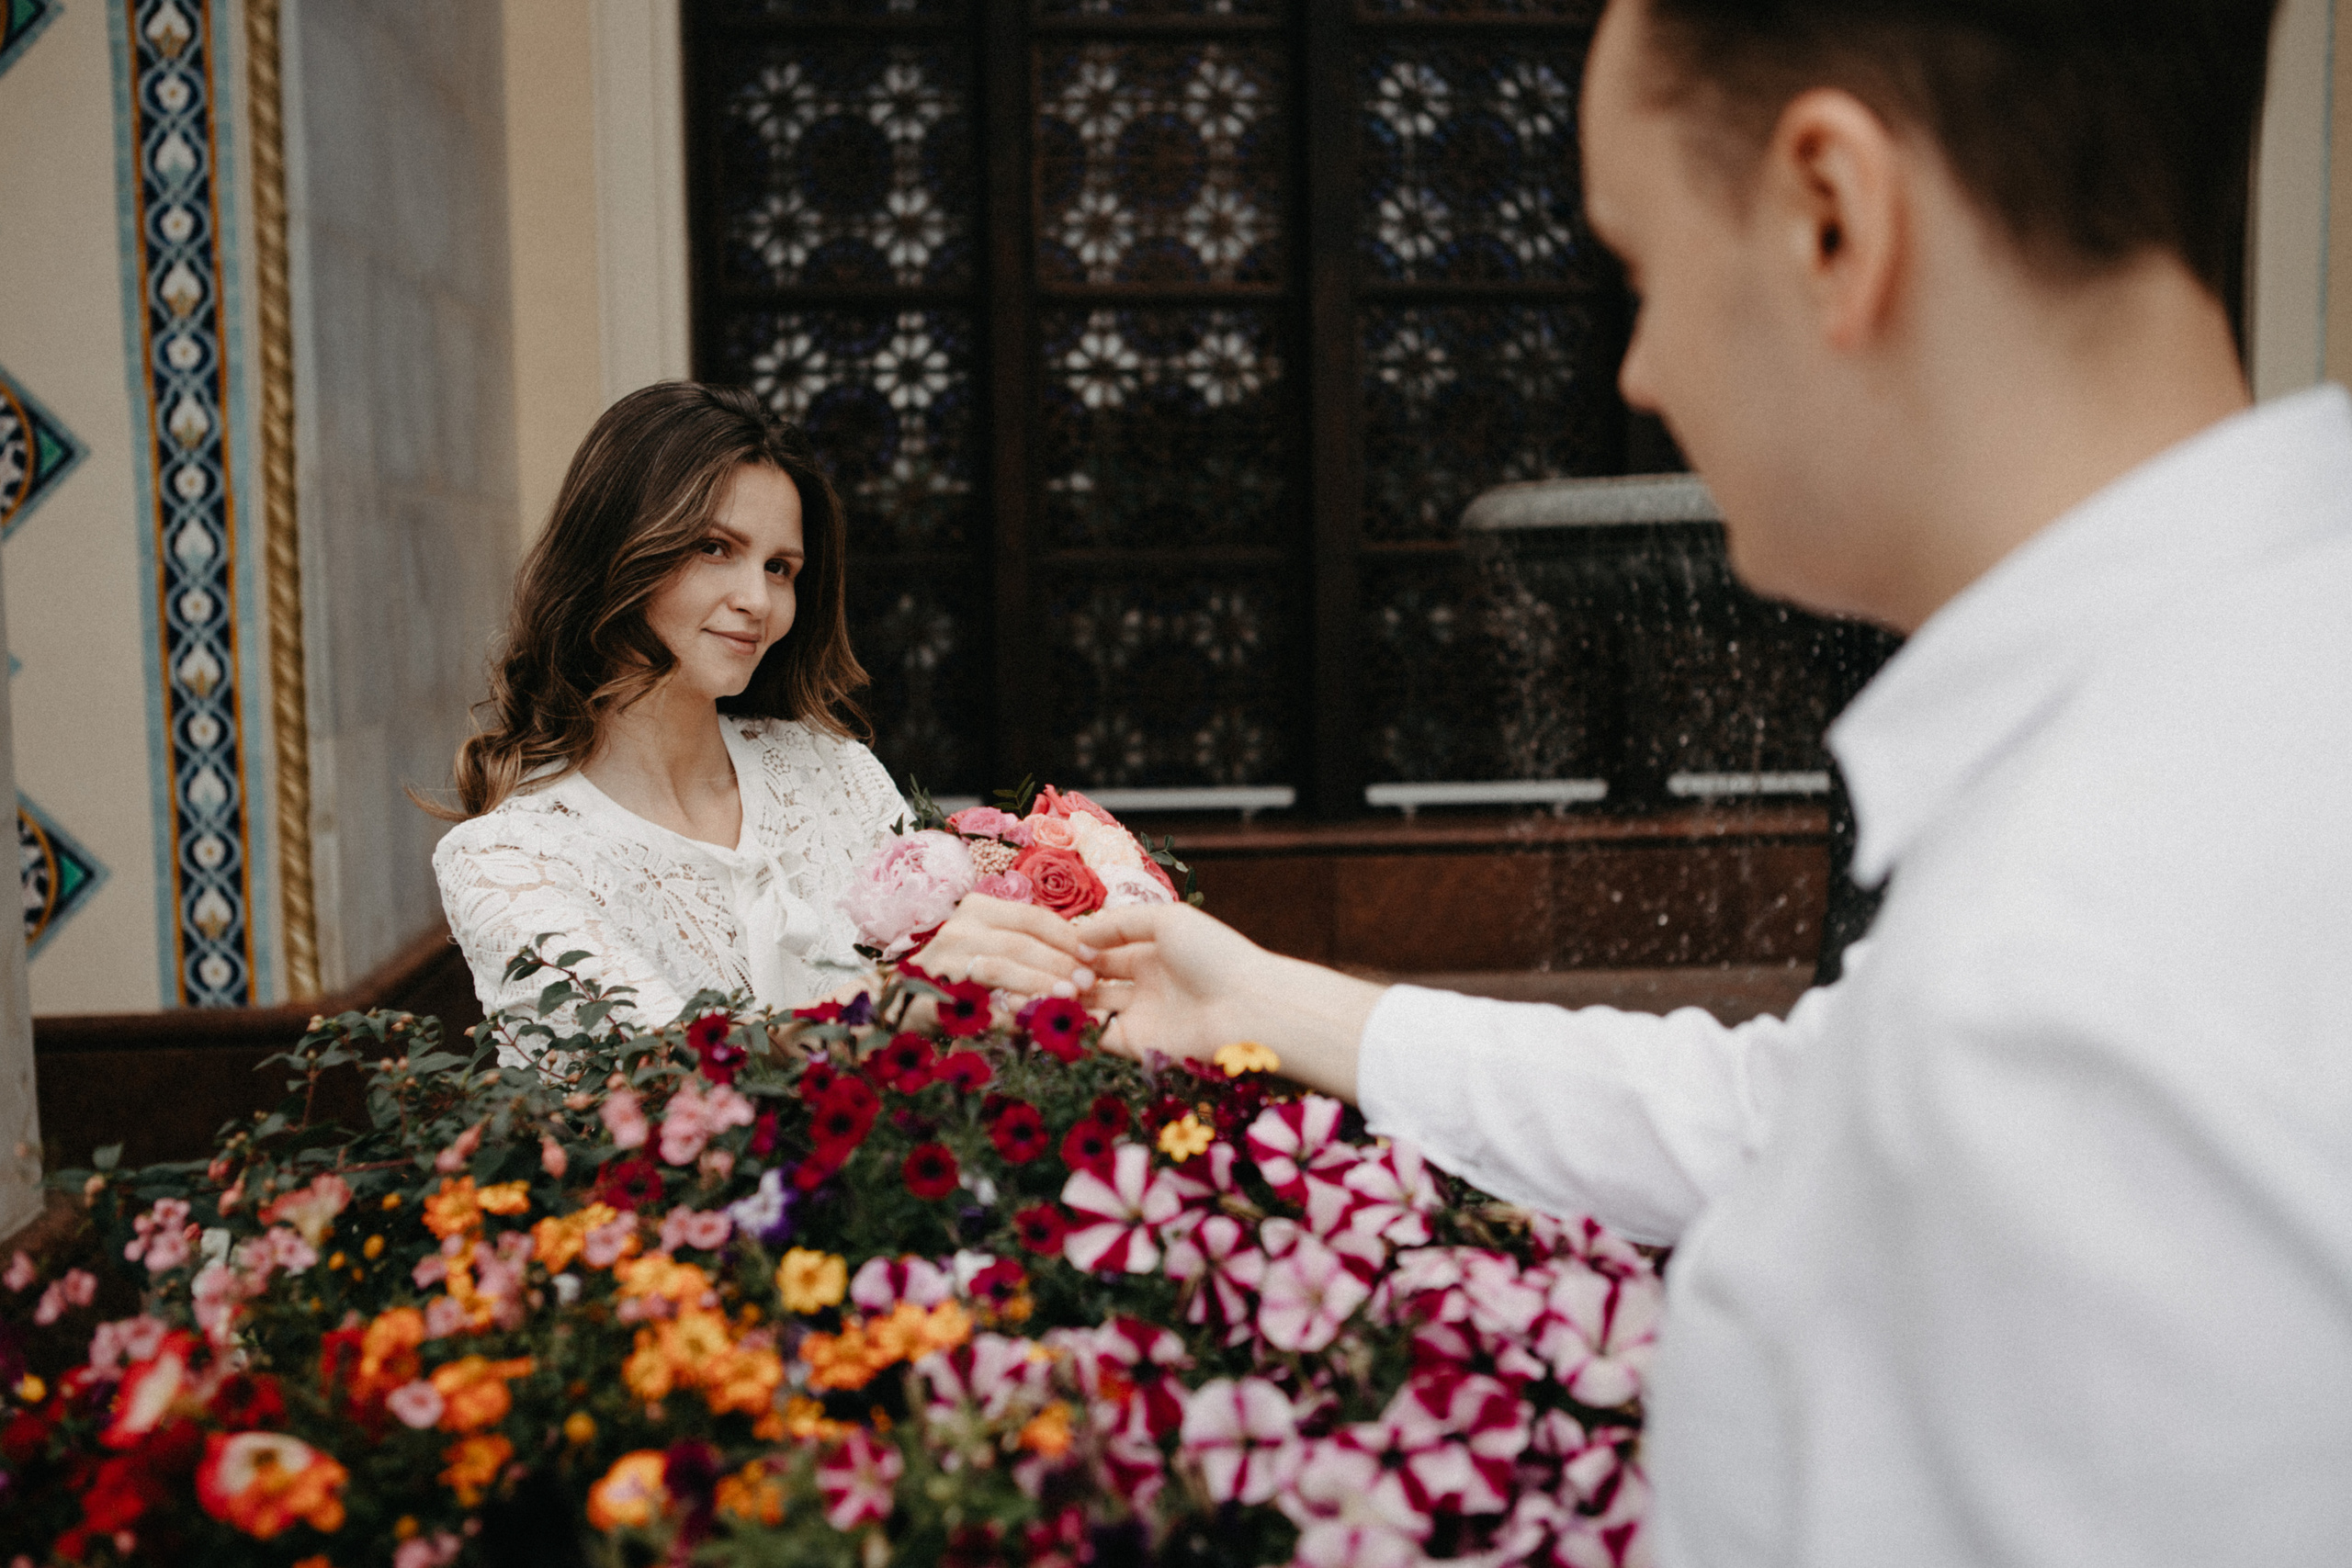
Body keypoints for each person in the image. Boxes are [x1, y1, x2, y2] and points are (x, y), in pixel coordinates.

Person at [1081, 0, 2352, 1562]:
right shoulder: (2237, 720)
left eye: (1643, 269)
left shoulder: (2061, 991)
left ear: (1834, 216)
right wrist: (1262, 1000)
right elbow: (1805, 1107)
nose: (1645, 364)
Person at [432, 383, 1093, 1046]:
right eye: (715, 547)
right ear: (615, 549)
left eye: (780, 567)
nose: (758, 599)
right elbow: (660, 1084)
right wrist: (894, 1000)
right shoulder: (509, 859)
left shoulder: (831, 769)